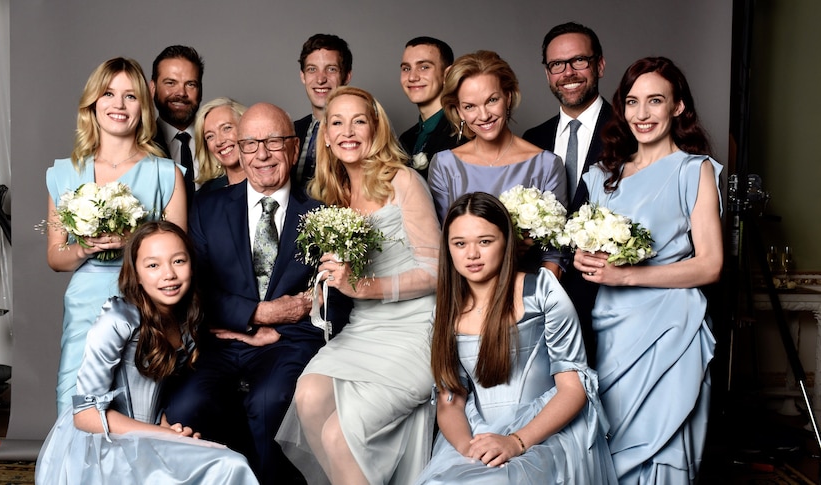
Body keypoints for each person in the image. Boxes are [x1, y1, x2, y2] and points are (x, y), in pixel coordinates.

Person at [164, 102, 349, 485]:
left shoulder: (322, 213)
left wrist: (306, 308)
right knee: (184, 406)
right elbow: (193, 289)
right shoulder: (206, 208)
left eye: (273, 142)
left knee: (270, 403)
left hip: (289, 342)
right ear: (239, 149)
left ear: (294, 148)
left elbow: (337, 301)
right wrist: (257, 315)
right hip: (220, 341)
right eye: (249, 144)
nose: (261, 154)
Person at [276, 86, 441, 484]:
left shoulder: (404, 181)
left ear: (376, 128)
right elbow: (342, 278)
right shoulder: (333, 196)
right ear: (326, 136)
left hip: (415, 329)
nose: (348, 131)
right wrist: (325, 281)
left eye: (359, 121)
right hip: (364, 329)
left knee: (339, 435)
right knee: (308, 397)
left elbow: (438, 273)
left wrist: (363, 287)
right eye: (337, 122)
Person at [573, 57, 722, 483]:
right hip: (615, 328)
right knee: (612, 441)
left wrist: (627, 276)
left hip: (673, 329)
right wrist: (585, 259)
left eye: (655, 101)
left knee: (666, 440)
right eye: (633, 102)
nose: (642, 114)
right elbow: (592, 249)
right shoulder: (603, 175)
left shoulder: (696, 171)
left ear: (677, 107)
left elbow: (710, 265)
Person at [415, 192, 616, 484]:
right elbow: (450, 402)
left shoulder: (542, 292)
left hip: (543, 433)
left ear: (506, 242)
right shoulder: (444, 314)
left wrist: (515, 442)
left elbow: (573, 390)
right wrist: (470, 451)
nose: (472, 254)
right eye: (460, 244)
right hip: (476, 433)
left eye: (485, 241)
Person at [36, 221, 258, 484]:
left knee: (228, 460)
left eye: (178, 261)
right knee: (230, 465)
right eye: (153, 265)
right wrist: (162, 434)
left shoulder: (187, 318)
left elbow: (161, 391)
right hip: (107, 445)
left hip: (153, 434)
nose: (169, 275)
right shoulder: (118, 320)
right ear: (136, 274)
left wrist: (170, 429)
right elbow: (85, 415)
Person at [45, 57, 187, 414]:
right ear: (93, 103)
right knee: (77, 405)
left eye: (130, 96)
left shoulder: (166, 174)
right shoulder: (64, 173)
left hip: (147, 302)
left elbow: (181, 256)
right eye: (108, 94)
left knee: (138, 410)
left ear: (143, 105)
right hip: (85, 301)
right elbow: (55, 257)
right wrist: (84, 249)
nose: (119, 105)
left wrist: (134, 244)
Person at [428, 50, 566, 277]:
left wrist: (538, 299)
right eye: (470, 106)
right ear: (459, 110)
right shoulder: (444, 165)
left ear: (508, 97)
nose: (483, 115)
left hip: (526, 292)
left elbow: (554, 253)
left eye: (492, 100)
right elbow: (442, 245)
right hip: (464, 295)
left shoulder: (546, 165)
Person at [522, 21, 611, 366]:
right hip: (541, 296)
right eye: (557, 64)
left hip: (608, 294)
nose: (568, 73)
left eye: (579, 61)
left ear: (599, 65)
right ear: (547, 73)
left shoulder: (628, 132)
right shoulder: (533, 138)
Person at [398, 36, 466, 178]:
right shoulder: (405, 138)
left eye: (424, 67)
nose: (412, 77)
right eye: (406, 68)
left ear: (447, 74)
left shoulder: (463, 132)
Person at [292, 33, 353, 190]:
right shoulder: (292, 131)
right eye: (312, 69)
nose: (320, 79)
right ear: (302, 76)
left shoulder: (362, 131)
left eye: (331, 69)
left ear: (346, 76)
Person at [150, 45, 204, 204]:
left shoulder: (219, 142)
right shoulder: (139, 144)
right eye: (170, 83)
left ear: (200, 90)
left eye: (190, 84)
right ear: (152, 88)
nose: (181, 93)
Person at [194, 97, 248, 193]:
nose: (219, 141)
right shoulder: (204, 197)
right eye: (210, 136)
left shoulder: (273, 179)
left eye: (226, 128)